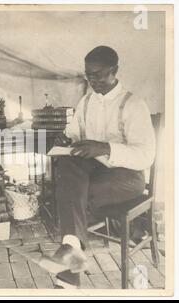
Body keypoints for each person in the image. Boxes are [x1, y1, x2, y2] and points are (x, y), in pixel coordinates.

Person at [48, 46, 155, 288]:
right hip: (92, 174)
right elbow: (73, 133)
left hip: (128, 179)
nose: (93, 81)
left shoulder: (134, 104)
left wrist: (105, 147)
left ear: (114, 70)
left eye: (98, 74)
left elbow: (145, 156)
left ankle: (70, 254)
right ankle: (72, 253)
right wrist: (65, 139)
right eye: (88, 75)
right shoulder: (86, 102)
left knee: (70, 192)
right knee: (69, 167)